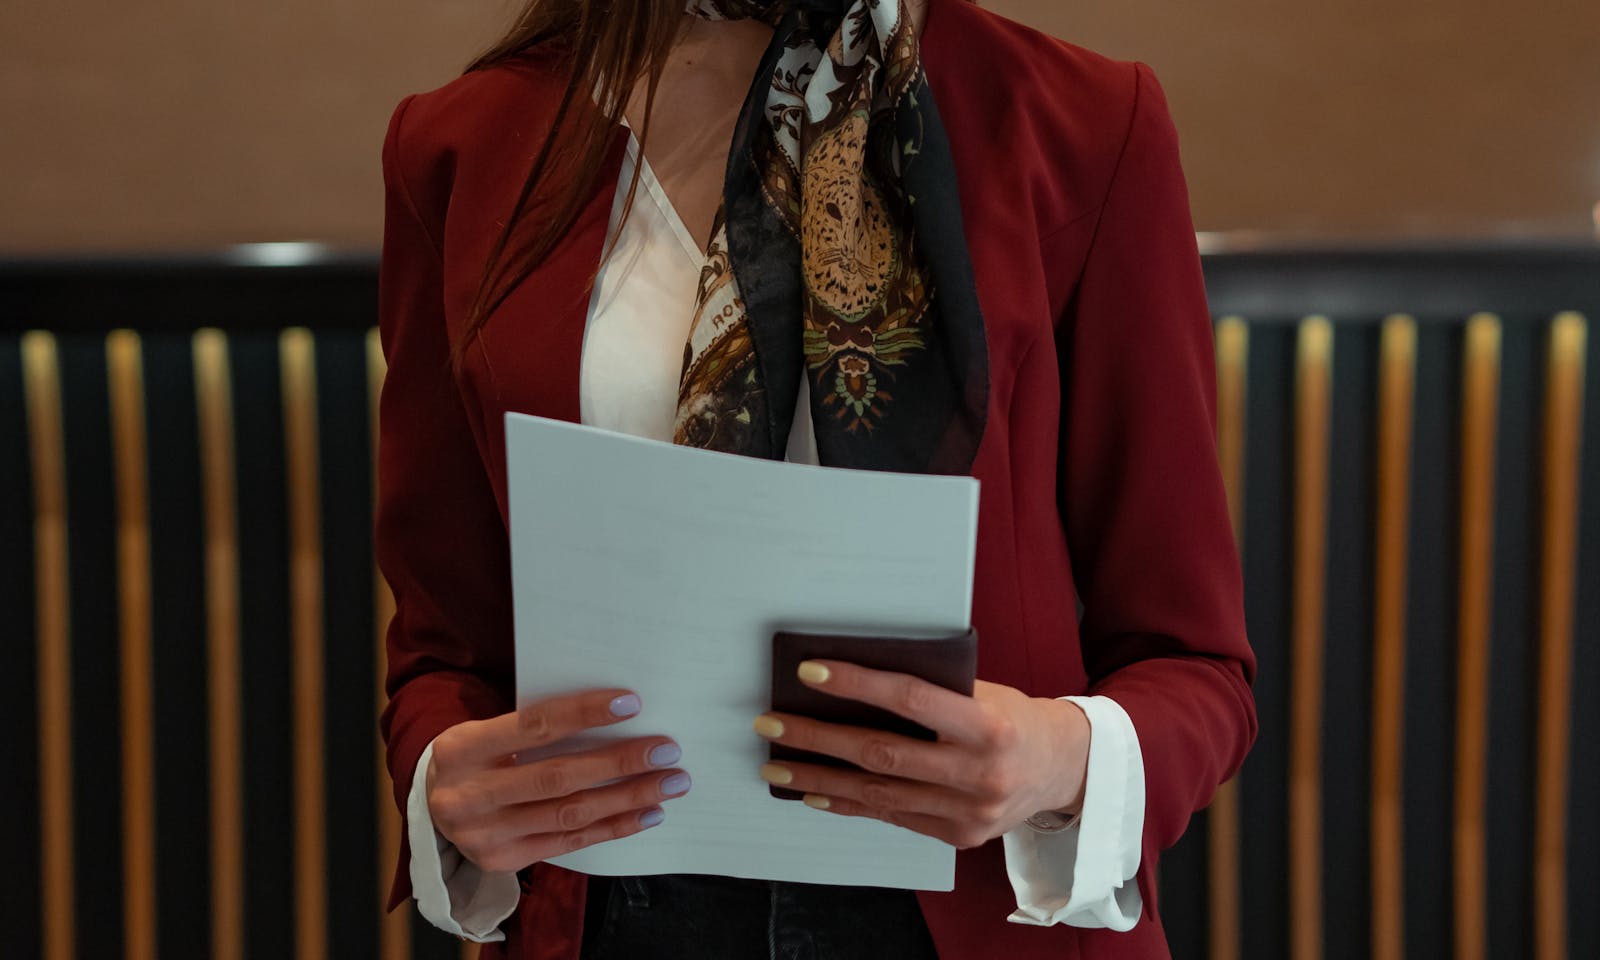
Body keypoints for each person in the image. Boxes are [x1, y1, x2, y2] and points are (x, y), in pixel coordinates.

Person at [375, 1, 1257, 957]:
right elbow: (442, 651)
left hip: (974, 910)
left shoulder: (1080, 122)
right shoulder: (463, 144)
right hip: (612, 912)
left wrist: (1056, 760)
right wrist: (445, 785)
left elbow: (1197, 665)